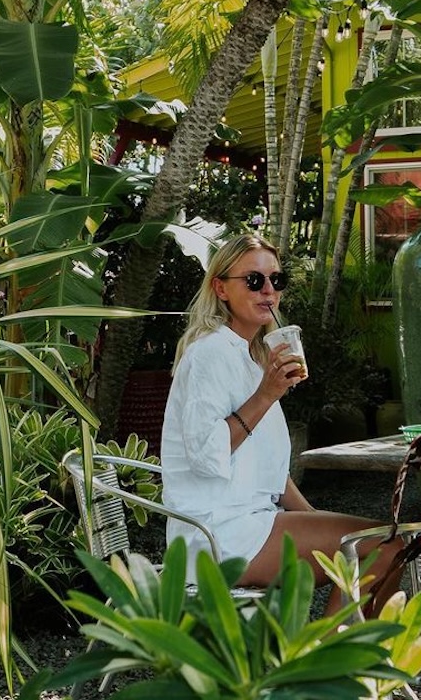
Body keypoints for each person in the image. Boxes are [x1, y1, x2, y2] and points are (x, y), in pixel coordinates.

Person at [160, 233, 401, 615]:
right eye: (254, 281)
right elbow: (206, 455)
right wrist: (266, 395)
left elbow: (271, 470)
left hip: (254, 523)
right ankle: (329, 662)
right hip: (217, 534)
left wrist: (315, 518)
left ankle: (341, 661)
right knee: (382, 545)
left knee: (384, 544)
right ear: (220, 288)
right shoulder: (208, 355)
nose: (269, 291)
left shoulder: (254, 358)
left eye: (277, 280)